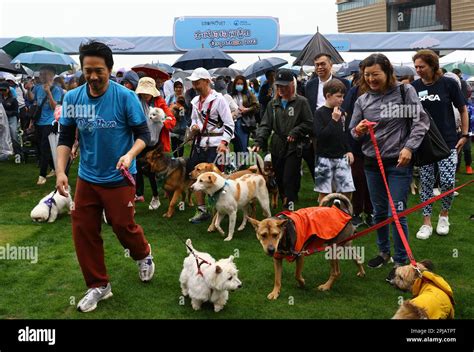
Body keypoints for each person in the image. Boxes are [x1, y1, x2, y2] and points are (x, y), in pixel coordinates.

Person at [56, 41, 155, 313]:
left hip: (120, 176)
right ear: (82, 70)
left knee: (122, 225)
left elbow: (144, 136)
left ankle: (143, 254)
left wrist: (130, 154)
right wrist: (62, 171)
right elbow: (65, 137)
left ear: (109, 70)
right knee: (83, 229)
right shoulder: (73, 98)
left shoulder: (125, 97)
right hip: (88, 177)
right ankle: (99, 285)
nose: (93, 76)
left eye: (99, 70)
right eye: (88, 70)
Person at [349, 53, 429, 276]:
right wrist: (359, 130)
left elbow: (420, 121)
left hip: (398, 163)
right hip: (372, 164)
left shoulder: (405, 91)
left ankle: (400, 261)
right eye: (367, 75)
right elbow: (352, 132)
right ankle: (384, 252)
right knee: (379, 212)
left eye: (376, 74)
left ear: (387, 72)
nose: (372, 79)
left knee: (398, 211)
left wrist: (409, 147)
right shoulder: (362, 100)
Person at [411, 50, 470, 239]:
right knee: (426, 182)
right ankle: (426, 221)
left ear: (433, 65)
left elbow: (463, 109)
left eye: (422, 66)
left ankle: (444, 216)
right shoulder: (413, 86)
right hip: (424, 142)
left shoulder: (448, 83)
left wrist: (465, 134)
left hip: (447, 141)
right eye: (416, 67)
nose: (418, 70)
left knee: (447, 181)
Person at [253, 69, 313, 209]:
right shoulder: (272, 104)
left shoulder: (301, 102)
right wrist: (259, 141)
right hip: (277, 145)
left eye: (284, 86)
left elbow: (309, 123)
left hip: (294, 146)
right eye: (278, 86)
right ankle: (285, 201)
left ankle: (289, 209)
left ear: (292, 85)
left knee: (289, 179)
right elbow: (265, 125)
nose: (281, 89)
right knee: (279, 178)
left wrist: (296, 131)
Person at [186, 67, 234, 223]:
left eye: (197, 82)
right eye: (193, 83)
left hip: (215, 144)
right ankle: (202, 210)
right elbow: (194, 119)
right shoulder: (195, 101)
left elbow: (229, 123)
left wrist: (223, 142)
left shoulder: (219, 100)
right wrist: (195, 126)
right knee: (196, 177)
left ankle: (218, 212)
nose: (194, 86)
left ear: (207, 81)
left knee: (216, 180)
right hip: (200, 143)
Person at [135, 76, 176, 209]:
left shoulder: (159, 102)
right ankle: (138, 193)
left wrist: (162, 121)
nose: (145, 95)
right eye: (143, 92)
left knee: (152, 170)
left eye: (148, 92)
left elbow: (171, 119)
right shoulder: (136, 101)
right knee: (137, 168)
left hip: (154, 143)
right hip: (139, 140)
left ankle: (155, 196)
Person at [313, 79, 355, 204]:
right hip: (324, 158)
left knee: (347, 190)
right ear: (328, 96)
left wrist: (349, 150)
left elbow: (344, 134)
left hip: (341, 157)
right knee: (325, 193)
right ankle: (322, 217)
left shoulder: (342, 112)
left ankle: (344, 216)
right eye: (339, 96)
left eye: (343, 96)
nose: (342, 99)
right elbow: (321, 136)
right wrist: (333, 121)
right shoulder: (319, 113)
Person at [26, 65, 63, 185]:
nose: (42, 76)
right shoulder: (37, 87)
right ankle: (54, 168)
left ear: (51, 75)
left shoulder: (57, 90)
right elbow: (33, 102)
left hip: (50, 122)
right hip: (39, 122)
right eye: (41, 74)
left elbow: (55, 107)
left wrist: (48, 92)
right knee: (41, 147)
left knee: (45, 148)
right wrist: (28, 90)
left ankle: (42, 175)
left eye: (44, 74)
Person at [230, 75, 259, 154]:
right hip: (233, 121)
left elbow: (256, 106)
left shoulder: (248, 94)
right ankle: (238, 163)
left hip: (244, 121)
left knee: (243, 144)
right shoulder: (231, 95)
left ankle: (243, 163)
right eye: (238, 83)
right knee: (236, 144)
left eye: (241, 84)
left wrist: (247, 109)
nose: (239, 85)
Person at [0, 81, 19, 155]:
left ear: (8, 90)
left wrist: (7, 113)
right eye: (1, 90)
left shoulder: (13, 99)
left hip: (11, 118)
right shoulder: (0, 98)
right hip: (1, 118)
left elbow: (16, 111)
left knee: (13, 135)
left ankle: (18, 153)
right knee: (2, 136)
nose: (2, 92)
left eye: (4, 90)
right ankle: (3, 152)